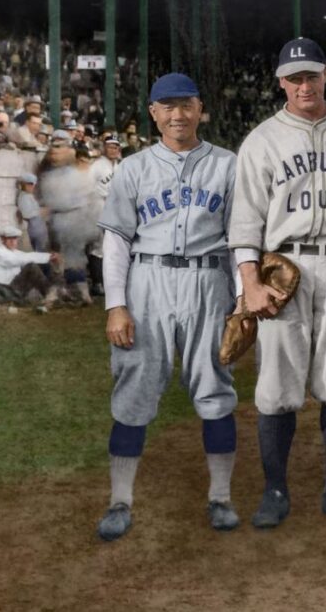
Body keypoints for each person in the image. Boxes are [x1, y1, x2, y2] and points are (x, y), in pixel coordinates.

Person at [229, 37, 326, 529]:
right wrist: (249, 283)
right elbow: (245, 220)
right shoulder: (262, 140)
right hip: (282, 269)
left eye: (311, 75)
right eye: (294, 78)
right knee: (276, 385)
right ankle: (275, 490)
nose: (303, 85)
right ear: (280, 83)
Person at [95, 73, 241, 541]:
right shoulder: (133, 169)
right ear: (153, 113)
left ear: (200, 109)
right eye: (167, 107)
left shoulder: (228, 165)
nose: (177, 115)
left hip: (208, 278)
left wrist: (241, 302)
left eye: (186, 105)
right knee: (135, 385)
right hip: (148, 280)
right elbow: (116, 240)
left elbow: (241, 241)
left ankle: (220, 497)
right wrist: (116, 305)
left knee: (214, 385)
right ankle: (120, 500)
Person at [38, 129, 98, 305]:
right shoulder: (48, 176)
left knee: (74, 258)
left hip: (74, 221)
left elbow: (84, 200)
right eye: (53, 150)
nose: (55, 154)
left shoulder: (78, 176)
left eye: (59, 149)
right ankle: (60, 291)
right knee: (57, 256)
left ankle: (80, 293)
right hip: (56, 222)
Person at [0, 225, 60, 309]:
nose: (12, 242)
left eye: (14, 238)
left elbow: (28, 255)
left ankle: (55, 293)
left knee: (45, 266)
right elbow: (19, 259)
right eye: (9, 239)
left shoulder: (15, 252)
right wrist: (47, 257)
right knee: (31, 267)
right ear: (3, 240)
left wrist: (50, 257)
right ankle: (50, 295)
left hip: (16, 287)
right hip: (6, 289)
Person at [87, 135, 123, 295]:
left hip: (114, 206)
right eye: (110, 146)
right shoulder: (97, 165)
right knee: (98, 246)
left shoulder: (119, 166)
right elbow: (86, 186)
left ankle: (108, 282)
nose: (113, 150)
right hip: (98, 205)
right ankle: (96, 283)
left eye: (116, 147)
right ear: (104, 148)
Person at [16, 172, 50, 254]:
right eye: (30, 184)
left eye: (33, 184)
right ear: (23, 184)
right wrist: (41, 211)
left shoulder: (29, 196)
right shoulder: (23, 197)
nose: (32, 186)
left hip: (39, 228)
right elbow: (26, 214)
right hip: (35, 229)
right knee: (40, 255)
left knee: (43, 254)